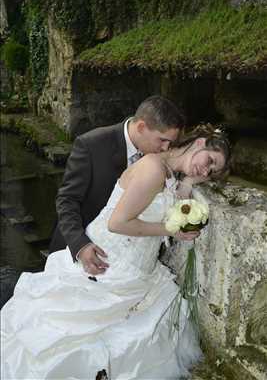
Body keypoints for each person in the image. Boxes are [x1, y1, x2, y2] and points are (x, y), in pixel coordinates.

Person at [1, 124, 231, 380]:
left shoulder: (169, 173)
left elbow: (175, 198)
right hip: (113, 260)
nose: (207, 170)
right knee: (75, 333)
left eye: (212, 172)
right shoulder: (153, 168)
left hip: (140, 265)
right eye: (210, 161)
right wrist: (170, 230)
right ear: (199, 143)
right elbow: (118, 223)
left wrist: (190, 179)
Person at [49, 95, 186, 276]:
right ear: (141, 127)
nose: (166, 149)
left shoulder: (160, 158)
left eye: (170, 142)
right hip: (79, 250)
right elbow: (67, 200)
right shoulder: (91, 144)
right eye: (162, 140)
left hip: (129, 262)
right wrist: (80, 245)